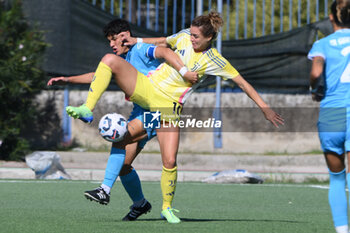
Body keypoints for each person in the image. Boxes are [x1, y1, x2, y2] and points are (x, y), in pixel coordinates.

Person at [66, 12, 284, 223]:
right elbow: (163, 42)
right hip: (149, 88)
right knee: (109, 60)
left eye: (196, 36)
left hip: (167, 108)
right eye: (191, 33)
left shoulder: (215, 60)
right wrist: (140, 40)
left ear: (209, 38)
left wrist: (264, 108)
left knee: (169, 160)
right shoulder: (183, 38)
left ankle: (166, 208)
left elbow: (243, 83)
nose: (191, 38)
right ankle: (89, 115)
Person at [48, 18, 194, 221]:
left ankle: (106, 189)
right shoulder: (124, 61)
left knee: (131, 143)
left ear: (125, 36)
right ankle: (140, 203)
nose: (111, 44)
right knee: (123, 165)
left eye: (114, 39)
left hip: (158, 111)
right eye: (109, 40)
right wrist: (67, 79)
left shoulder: (141, 49)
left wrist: (184, 71)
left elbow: (164, 48)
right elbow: (97, 75)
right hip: (139, 113)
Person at [308, 1, 350, 233]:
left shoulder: (322, 43)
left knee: (337, 178)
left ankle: (342, 231)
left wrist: (315, 89)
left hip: (332, 112)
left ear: (332, 18)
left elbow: (316, 72)